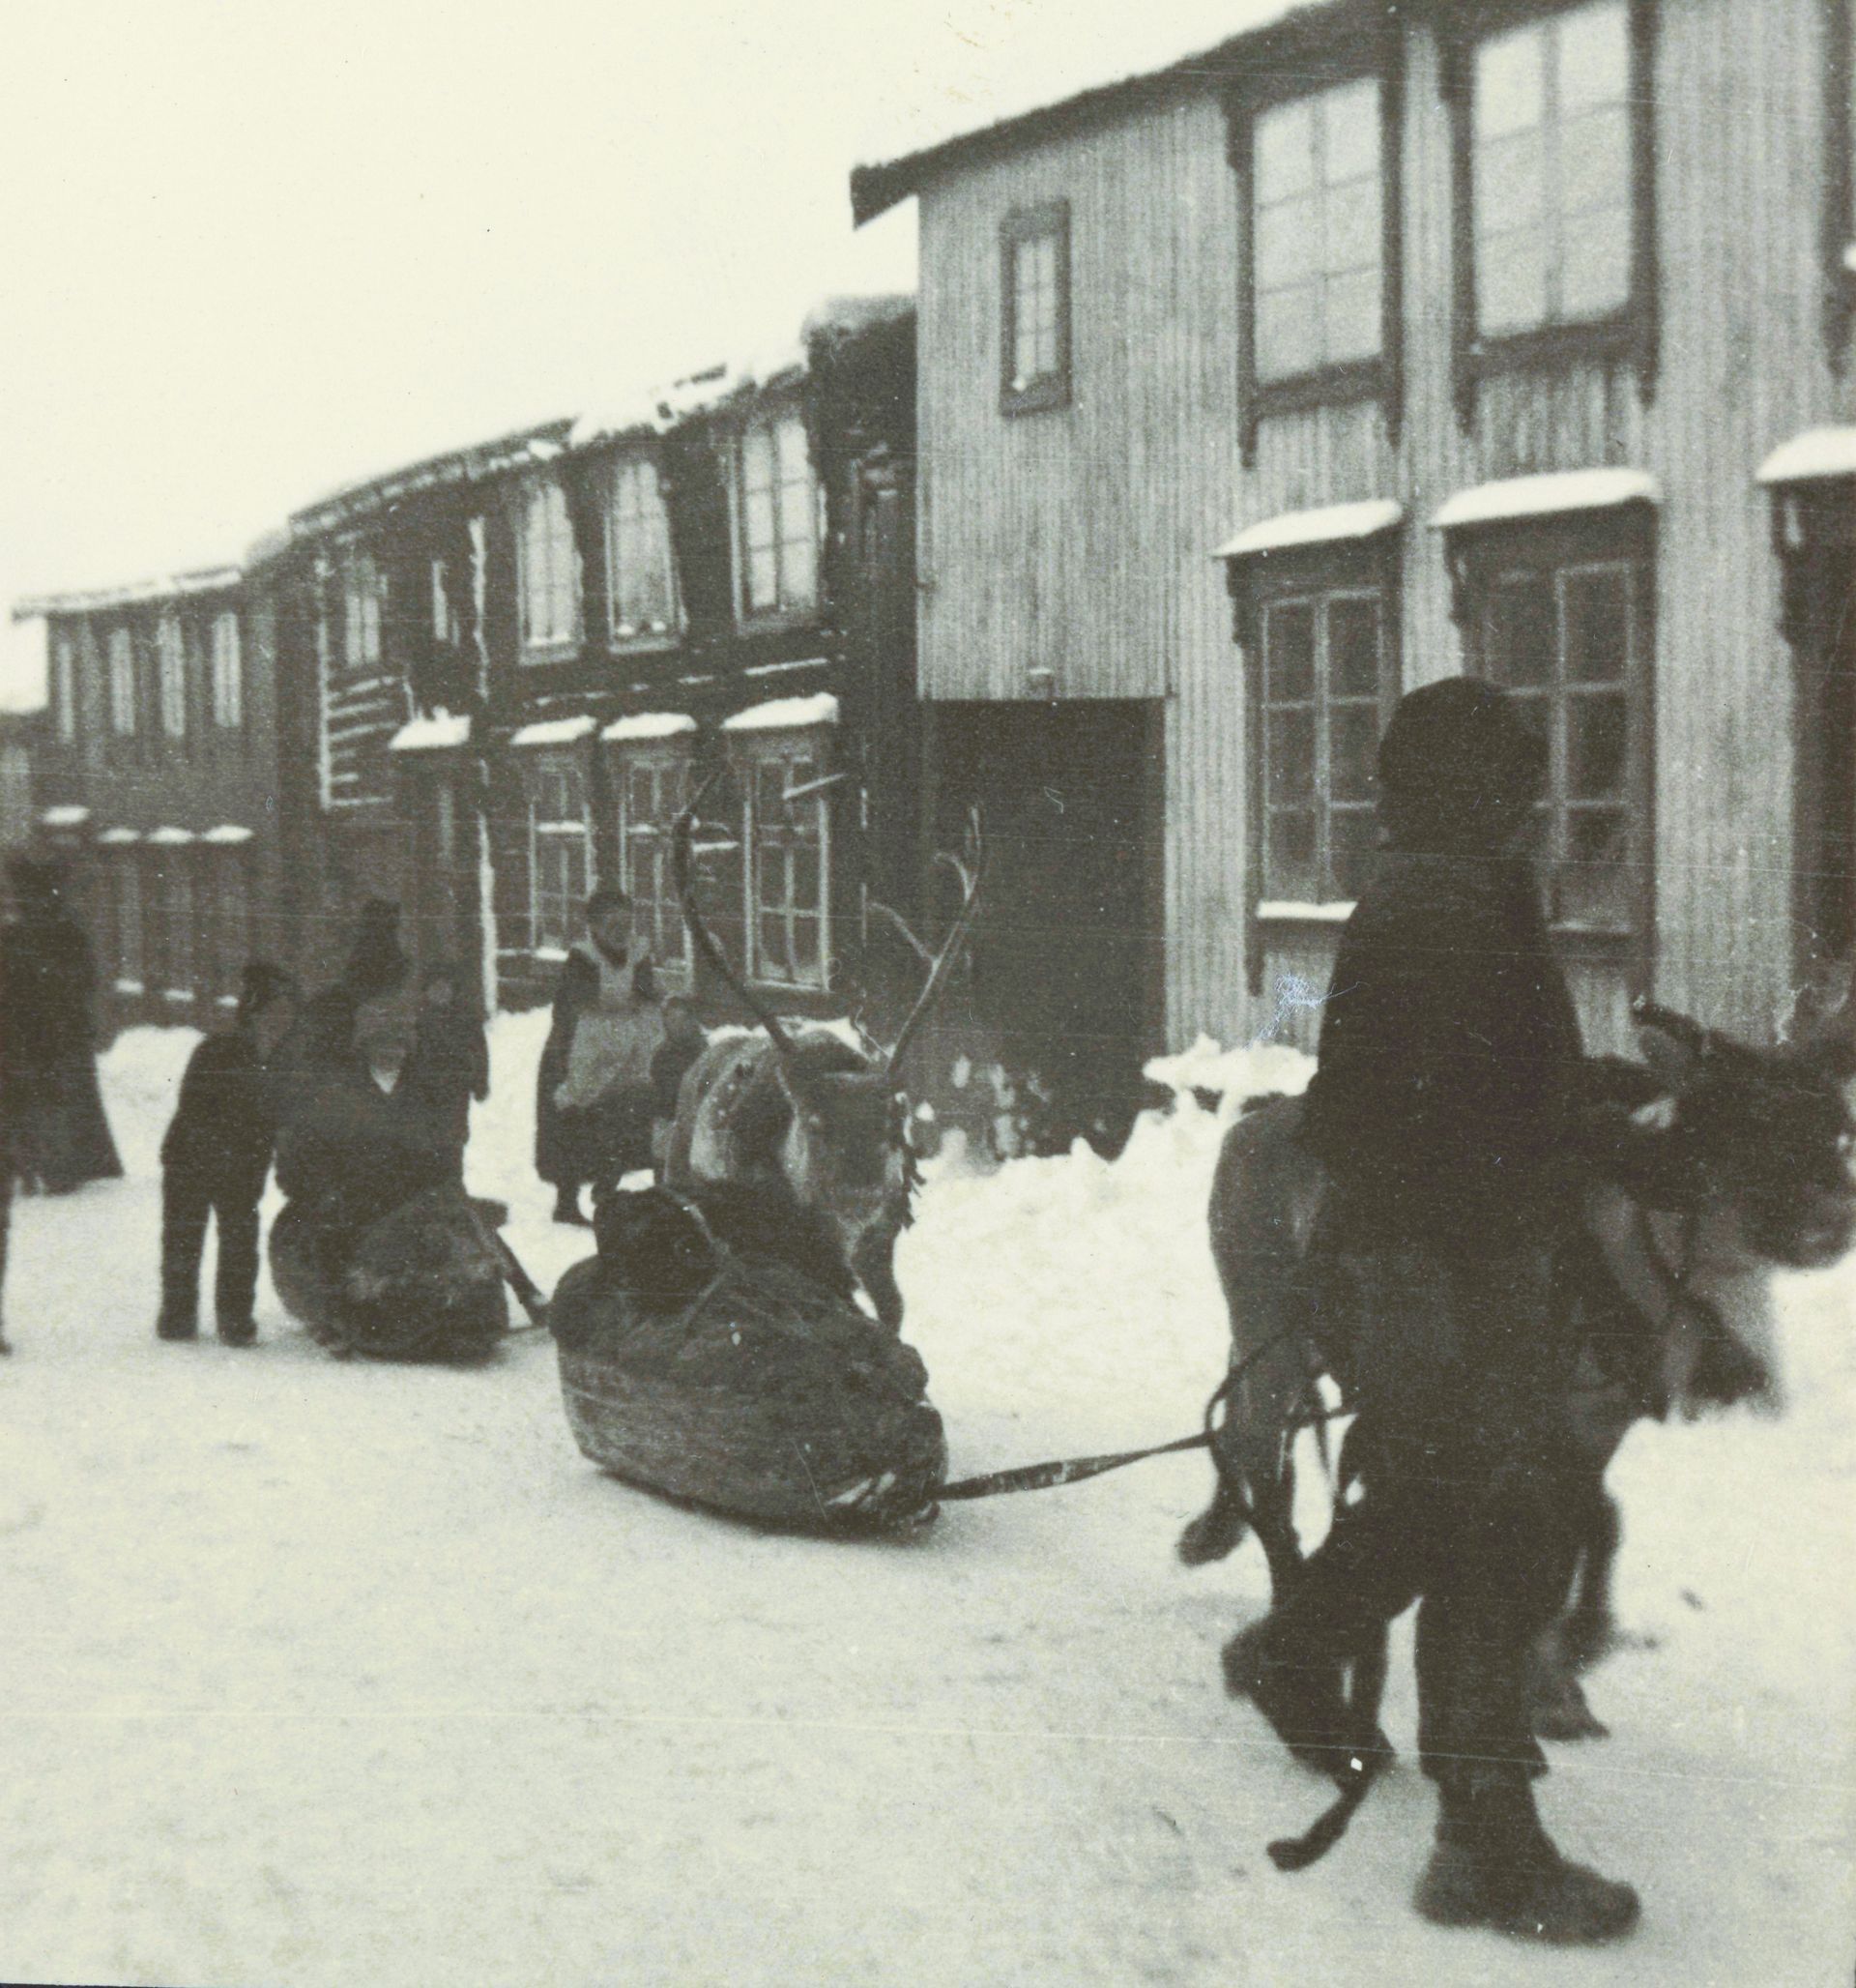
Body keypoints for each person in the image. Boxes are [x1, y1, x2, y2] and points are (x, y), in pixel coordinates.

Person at [1223, 679, 1640, 1944]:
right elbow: (1392, 1118)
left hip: (1449, 1267)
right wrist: (1575, 1145)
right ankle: (1484, 1845)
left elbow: (1483, 1087)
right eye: (1516, 780)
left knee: (1441, 1507)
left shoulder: (1440, 891)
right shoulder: (1445, 904)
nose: (1532, 803)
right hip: (1442, 1273)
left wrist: (1591, 1116)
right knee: (1500, 1536)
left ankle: (1299, 1649)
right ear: (1477, 792)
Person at [156, 962, 299, 1345]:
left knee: (239, 1243)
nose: (278, 1021)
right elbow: (194, 1107)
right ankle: (177, 1318)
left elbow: (284, 1118)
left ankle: (236, 1322)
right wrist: (224, 1149)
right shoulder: (217, 1049)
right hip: (192, 1158)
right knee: (183, 1240)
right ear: (252, 1014)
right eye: (271, 1012)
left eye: (286, 1014)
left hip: (244, 1166)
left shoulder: (287, 1063)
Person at [536, 883, 664, 1225]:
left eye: (626, 923)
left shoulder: (638, 955)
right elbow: (569, 1010)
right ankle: (566, 1202)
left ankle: (607, 1188)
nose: (621, 931)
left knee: (626, 1120)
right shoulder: (582, 959)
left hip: (628, 1050)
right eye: (612, 924)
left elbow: (649, 999)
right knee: (575, 1123)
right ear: (594, 927)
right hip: (580, 1051)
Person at [0, 856, 122, 1194]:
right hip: (60, 1028)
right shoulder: (68, 930)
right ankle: (67, 1164)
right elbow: (85, 980)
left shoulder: (17, 934)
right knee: (63, 1095)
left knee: (32, 1099)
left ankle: (41, 1165)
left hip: (29, 1030)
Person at [403, 960, 489, 1184]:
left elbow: (479, 1051)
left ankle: (453, 1185)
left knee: (454, 1139)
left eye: (445, 987)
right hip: (425, 1089)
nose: (440, 992)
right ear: (426, 990)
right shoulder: (419, 1018)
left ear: (453, 989)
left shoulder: (465, 1018)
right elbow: (410, 1054)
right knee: (426, 1140)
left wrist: (480, 1082)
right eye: (434, 988)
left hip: (455, 1088)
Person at [648, 993, 707, 1169]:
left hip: (695, 1124)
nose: (677, 1026)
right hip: (667, 1121)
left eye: (682, 1020)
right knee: (663, 1169)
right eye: (671, 1020)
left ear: (693, 1020)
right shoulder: (662, 1052)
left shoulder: (704, 1051)